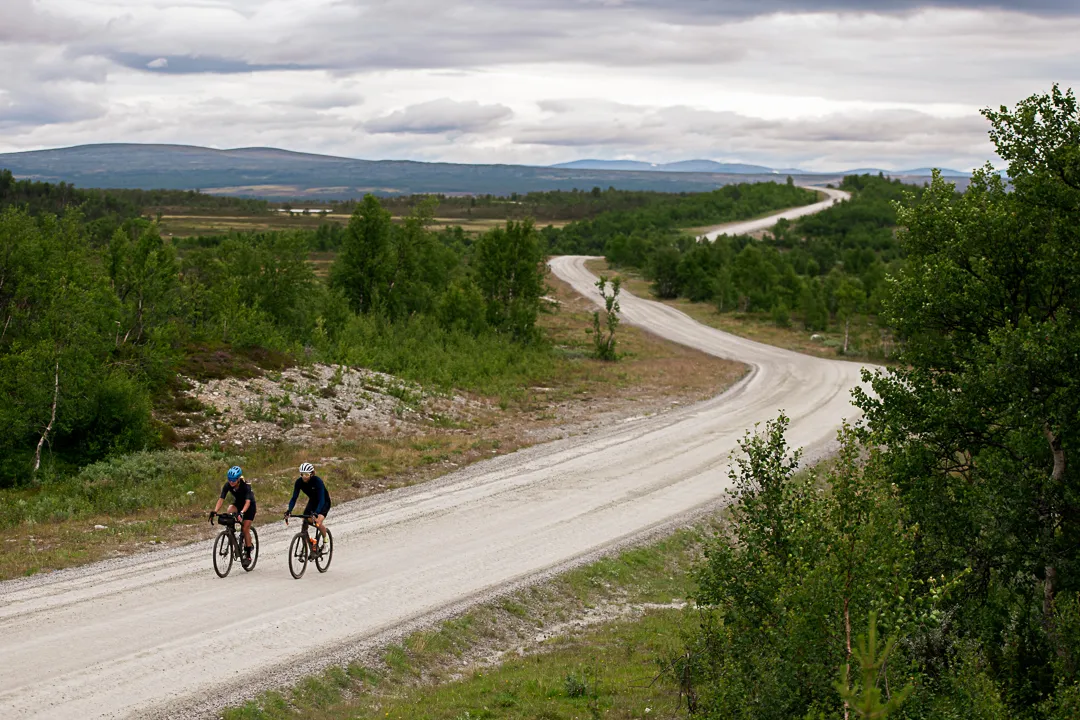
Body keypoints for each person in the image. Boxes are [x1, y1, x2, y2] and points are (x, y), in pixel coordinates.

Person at [210, 465, 257, 567]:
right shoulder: (228, 485)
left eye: (233, 480)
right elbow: (221, 499)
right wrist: (215, 511)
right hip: (238, 504)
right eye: (229, 479)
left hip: (249, 507)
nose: (231, 482)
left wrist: (242, 513)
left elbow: (248, 502)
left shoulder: (246, 486)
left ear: (238, 479)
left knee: (245, 529)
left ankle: (248, 554)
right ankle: (231, 531)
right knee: (229, 511)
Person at [284, 462, 331, 553]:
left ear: (312, 474)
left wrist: (316, 513)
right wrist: (289, 510)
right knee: (305, 521)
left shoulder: (317, 481)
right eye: (302, 474)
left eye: (306, 474)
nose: (304, 477)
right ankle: (309, 544)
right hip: (313, 501)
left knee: (317, 522)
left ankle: (325, 543)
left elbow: (321, 499)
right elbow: (294, 498)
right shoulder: (299, 482)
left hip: (324, 502)